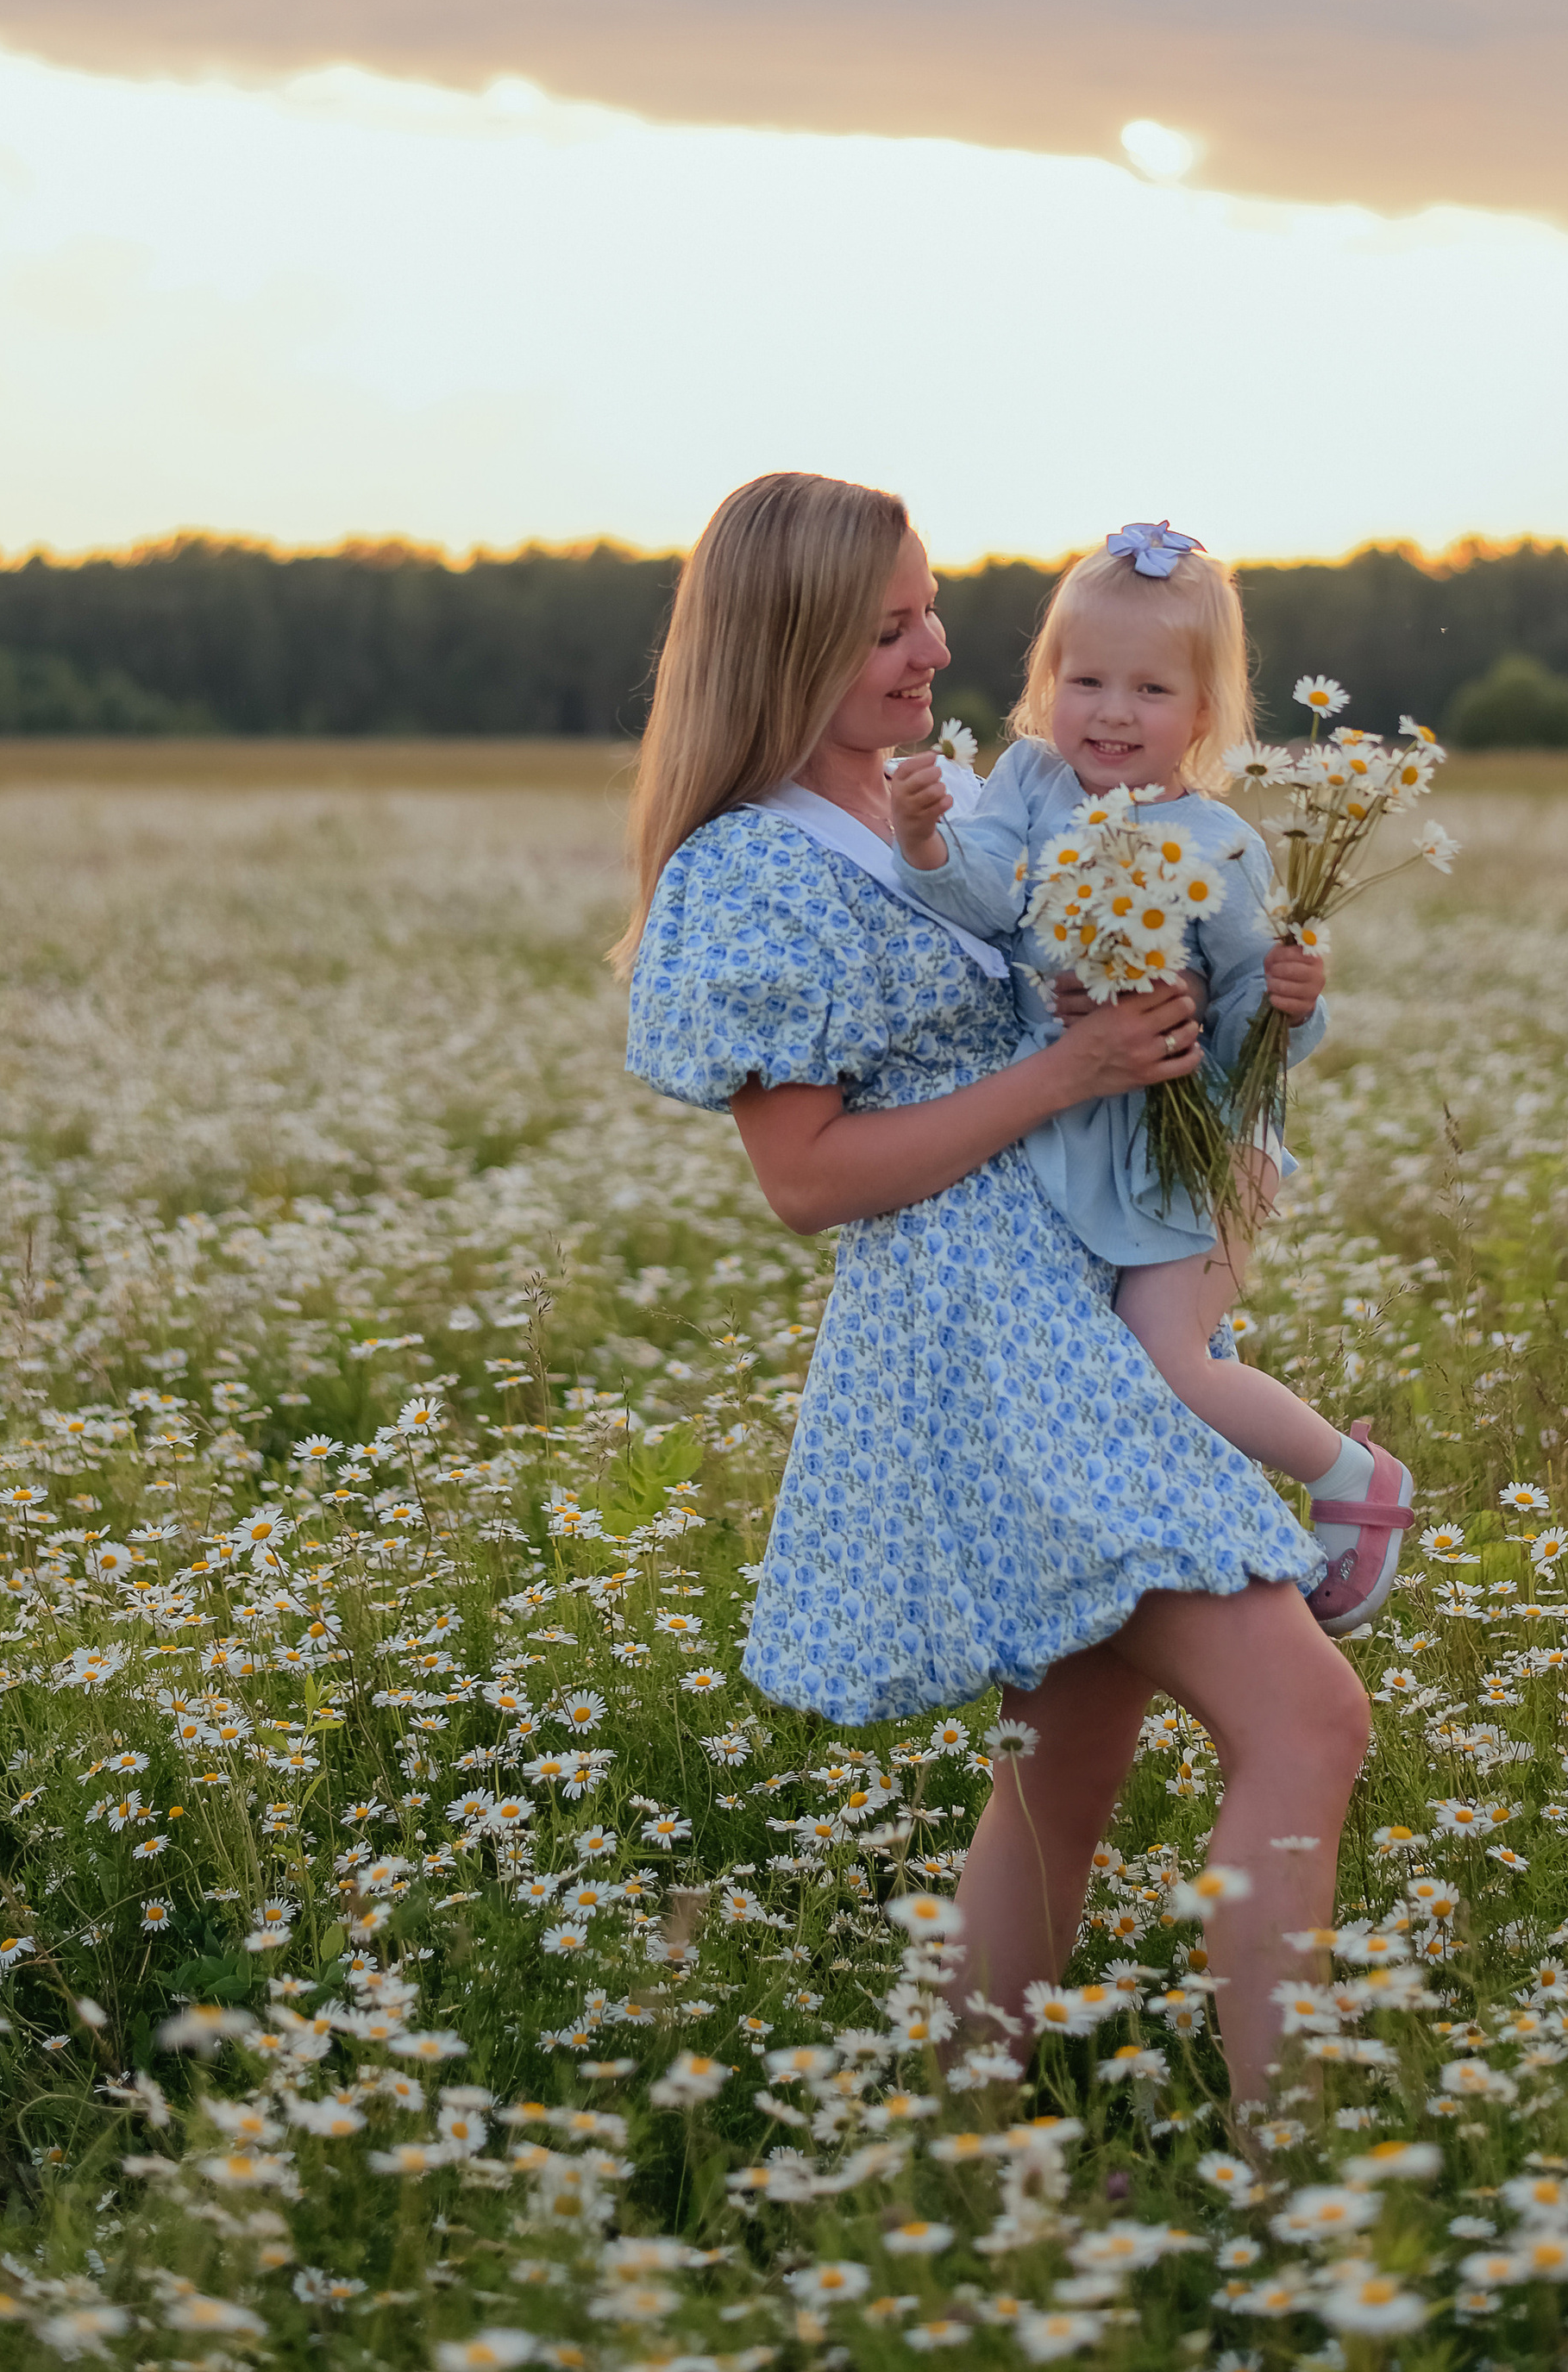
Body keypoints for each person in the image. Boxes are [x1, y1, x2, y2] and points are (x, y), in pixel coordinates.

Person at [617, 471, 1372, 2102]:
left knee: (1062, 1775)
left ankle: (967, 2149)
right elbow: (807, 1179)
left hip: (1068, 1305)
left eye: (929, 608)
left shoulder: (952, 803)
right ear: (792, 643)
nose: (930, 647)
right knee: (1307, 1724)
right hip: (988, 1338)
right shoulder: (756, 868)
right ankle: (1293, 2180)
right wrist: (1074, 1068)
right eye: (887, 626)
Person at [886, 521, 1414, 1635]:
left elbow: (1243, 1041)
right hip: (1085, 1131)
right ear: (1044, 687)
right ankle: (1144, 1557)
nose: (1112, 712)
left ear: (1205, 714)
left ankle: (1354, 1482)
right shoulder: (1030, 780)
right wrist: (927, 844)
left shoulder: (1223, 845)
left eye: (1150, 688)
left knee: (1164, 1359)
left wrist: (1288, 1001)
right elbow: (987, 897)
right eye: (1084, 680)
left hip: (1210, 1140)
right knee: (1096, 1369)